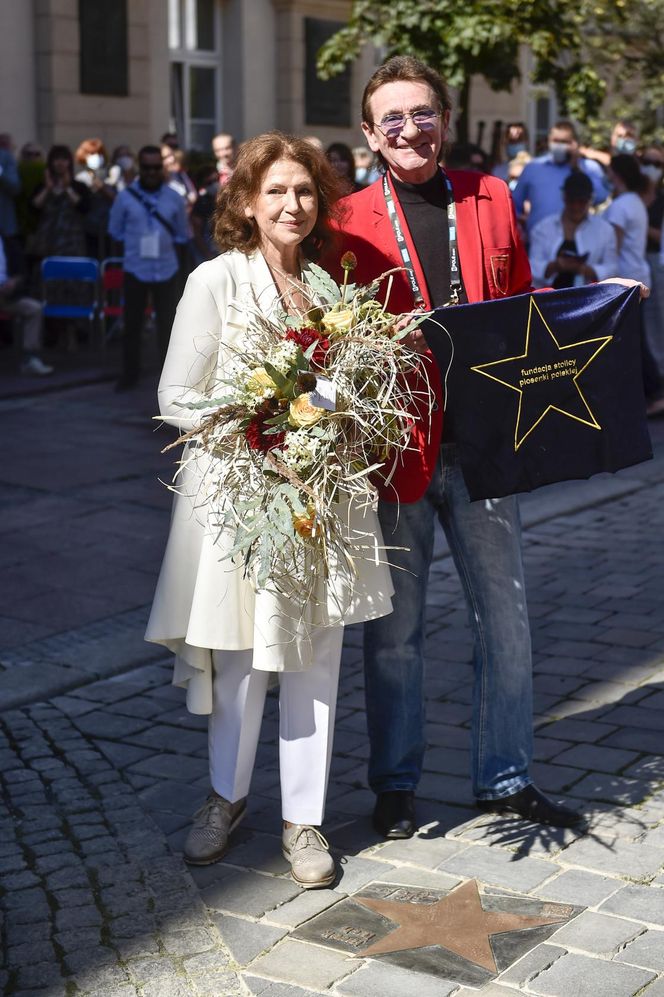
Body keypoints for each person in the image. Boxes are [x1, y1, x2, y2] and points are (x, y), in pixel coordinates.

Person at [330, 54, 588, 840]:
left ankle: (505, 776)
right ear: (371, 134)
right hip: (397, 447)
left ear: (443, 118)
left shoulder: (489, 195)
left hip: (483, 442)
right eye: (393, 118)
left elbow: (522, 305)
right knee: (395, 629)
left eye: (423, 112)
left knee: (504, 616)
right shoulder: (345, 218)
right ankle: (396, 783)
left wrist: (599, 307)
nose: (410, 128)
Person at [145, 132, 394, 887]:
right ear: (248, 203)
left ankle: (304, 818)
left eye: (306, 191)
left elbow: (342, 390)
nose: (293, 204)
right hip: (242, 497)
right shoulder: (216, 281)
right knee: (242, 657)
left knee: (315, 654)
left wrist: (342, 414)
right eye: (277, 191)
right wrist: (264, 425)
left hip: (323, 498)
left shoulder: (331, 290)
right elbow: (176, 395)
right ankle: (225, 798)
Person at [108, 145, 188, 390]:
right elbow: (115, 230)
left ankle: (170, 380)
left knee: (168, 325)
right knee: (132, 324)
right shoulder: (125, 197)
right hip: (136, 268)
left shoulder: (174, 197)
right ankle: (130, 373)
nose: (152, 172)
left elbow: (182, 235)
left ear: (162, 169)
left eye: (156, 167)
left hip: (166, 268)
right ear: (139, 168)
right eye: (147, 168)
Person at [604, 153, 664, 414]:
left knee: (634, 342)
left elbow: (611, 247)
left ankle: (655, 392)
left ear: (616, 174)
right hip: (638, 276)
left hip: (626, 281)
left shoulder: (620, 206)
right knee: (639, 339)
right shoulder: (635, 202)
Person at [512, 121, 607, 236]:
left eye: (564, 142)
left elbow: (601, 197)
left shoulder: (589, 168)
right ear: (549, 141)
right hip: (539, 240)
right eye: (556, 141)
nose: (559, 145)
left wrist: (576, 169)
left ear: (574, 144)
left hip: (578, 240)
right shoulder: (533, 168)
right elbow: (514, 204)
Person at [529, 171, 618, 288]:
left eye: (581, 202)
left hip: (589, 299)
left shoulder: (605, 230)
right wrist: (555, 266)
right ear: (564, 197)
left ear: (590, 200)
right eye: (571, 201)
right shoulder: (542, 228)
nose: (576, 207)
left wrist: (585, 270)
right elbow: (532, 266)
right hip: (547, 298)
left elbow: (612, 268)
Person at [0, 234, 52, 375]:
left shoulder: (8, 243)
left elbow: (21, 273)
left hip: (7, 297)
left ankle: (30, 360)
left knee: (35, 308)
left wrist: (13, 282)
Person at [640, 145, 664, 377]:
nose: (652, 168)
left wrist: (639, 225)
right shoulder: (631, 195)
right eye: (647, 161)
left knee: (656, 321)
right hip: (632, 263)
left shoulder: (661, 199)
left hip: (656, 262)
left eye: (657, 164)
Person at [74, 137, 115, 258]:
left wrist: (102, 187)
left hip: (107, 228)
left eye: (98, 153)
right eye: (91, 154)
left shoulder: (110, 176)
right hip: (87, 228)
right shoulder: (81, 178)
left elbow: (115, 198)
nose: (96, 156)